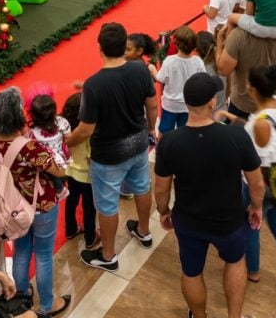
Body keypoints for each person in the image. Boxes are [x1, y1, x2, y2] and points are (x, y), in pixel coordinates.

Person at [154, 73, 264, 318]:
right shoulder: (236, 136)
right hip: (229, 219)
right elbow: (256, 184)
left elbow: (161, 188)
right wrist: (256, 207)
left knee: (192, 272)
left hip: (189, 220)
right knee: (235, 262)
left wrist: (163, 211)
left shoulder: (170, 142)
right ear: (212, 103)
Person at [67, 23, 156, 272]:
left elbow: (85, 129)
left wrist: (67, 143)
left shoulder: (95, 84)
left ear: (100, 48)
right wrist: (149, 130)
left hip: (108, 156)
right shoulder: (140, 69)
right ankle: (144, 231)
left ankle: (108, 255)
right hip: (138, 144)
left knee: (106, 206)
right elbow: (151, 106)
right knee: (141, 188)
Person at [216, 64, 276, 303]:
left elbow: (258, 164)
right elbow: (256, 126)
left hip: (262, 184)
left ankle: (252, 269)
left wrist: (256, 202)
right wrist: (230, 117)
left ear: (252, 89)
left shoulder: (260, 123)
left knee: (251, 224)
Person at [0, 89, 70, 315]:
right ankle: (47, 305)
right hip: (40, 205)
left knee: (21, 251)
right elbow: (59, 171)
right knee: (43, 254)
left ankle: (20, 296)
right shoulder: (28, 147)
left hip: (10, 207)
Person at [61, 92, 97, 249]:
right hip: (86, 176)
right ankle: (90, 237)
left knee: (72, 201)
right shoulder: (87, 133)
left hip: (70, 171)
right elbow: (90, 157)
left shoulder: (64, 130)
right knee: (89, 207)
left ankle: (70, 229)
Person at [155, 26, 206, 134]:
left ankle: (161, 149)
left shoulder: (170, 61)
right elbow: (202, 81)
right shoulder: (198, 62)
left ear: (176, 44)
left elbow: (160, 79)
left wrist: (152, 70)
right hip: (188, 104)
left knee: (165, 131)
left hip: (170, 104)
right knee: (185, 132)